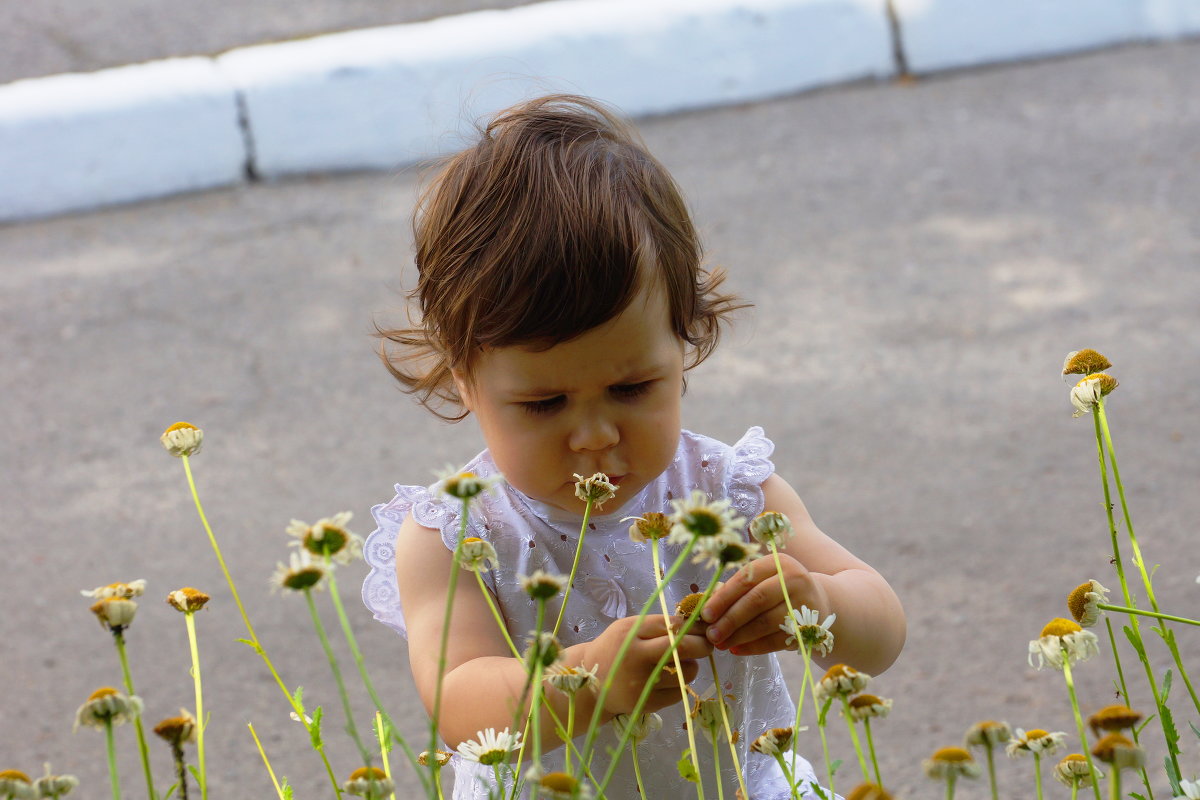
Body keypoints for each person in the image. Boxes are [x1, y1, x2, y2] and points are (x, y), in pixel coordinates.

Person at [361, 94, 906, 800]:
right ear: (466, 381)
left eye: (632, 388)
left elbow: (883, 630)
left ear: (685, 342)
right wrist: (585, 683)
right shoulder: (457, 535)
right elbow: (458, 703)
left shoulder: (726, 490)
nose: (594, 437)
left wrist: (815, 603)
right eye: (544, 404)